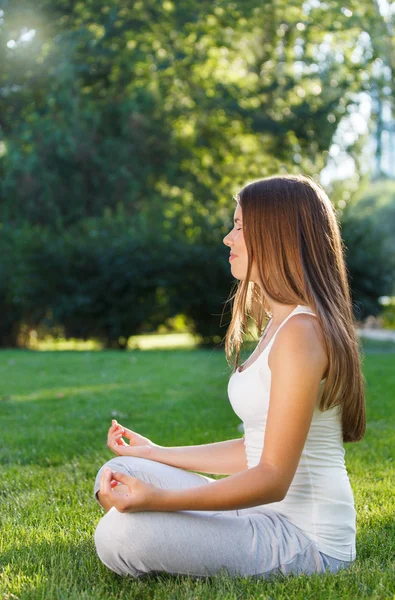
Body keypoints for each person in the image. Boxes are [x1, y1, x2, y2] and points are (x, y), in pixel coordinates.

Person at [93, 174, 366, 580]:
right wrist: (155, 452)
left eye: (239, 226)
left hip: (305, 541)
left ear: (276, 236)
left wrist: (160, 500)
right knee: (119, 472)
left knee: (120, 534)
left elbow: (272, 478)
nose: (227, 238)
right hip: (257, 513)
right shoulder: (282, 323)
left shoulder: (301, 334)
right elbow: (255, 450)